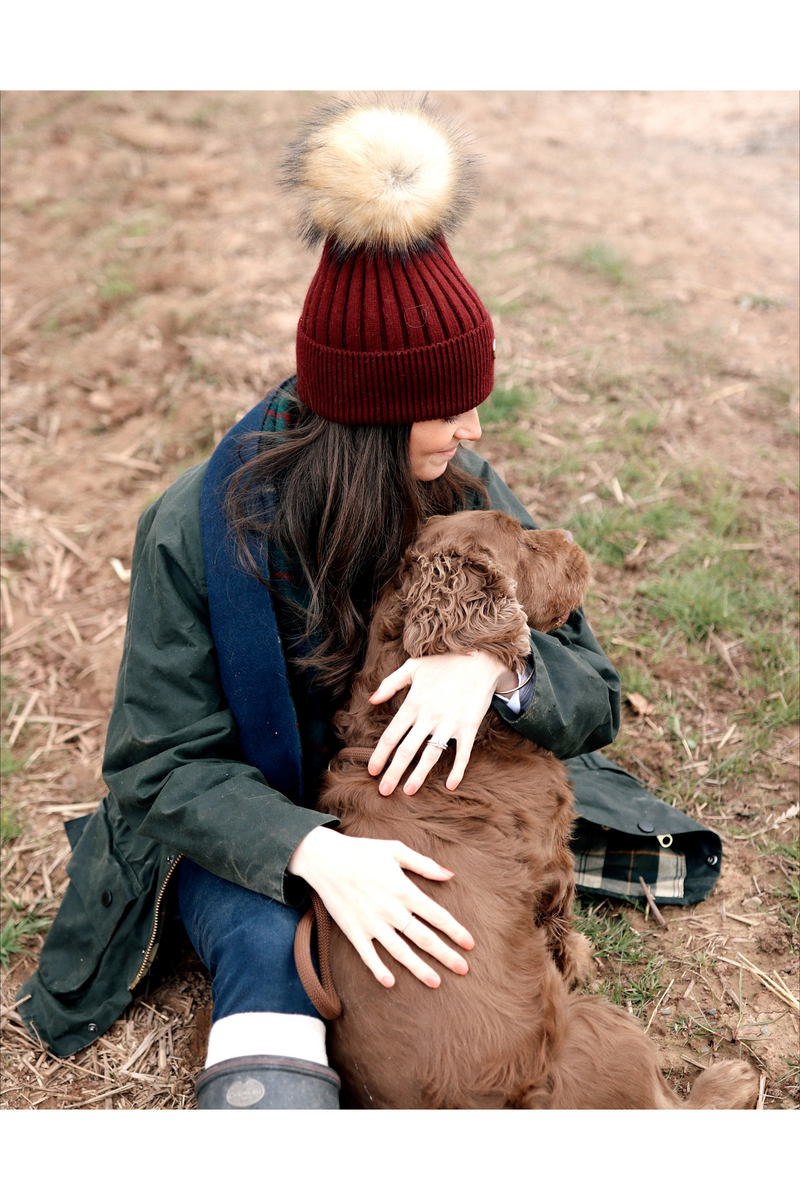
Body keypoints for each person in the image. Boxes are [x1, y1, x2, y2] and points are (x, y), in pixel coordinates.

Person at [16, 97, 620, 1109]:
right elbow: (157, 762)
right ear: (370, 418)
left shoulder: (463, 490)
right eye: (446, 407)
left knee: (447, 959)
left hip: (418, 819)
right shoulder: (196, 527)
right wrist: (312, 854)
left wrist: (492, 664)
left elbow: (593, 693)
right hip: (257, 822)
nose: (473, 429)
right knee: (268, 936)